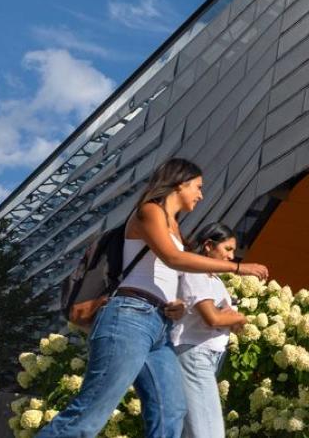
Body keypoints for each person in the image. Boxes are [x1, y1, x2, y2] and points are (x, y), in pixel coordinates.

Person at [38, 158, 270, 438]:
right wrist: (237, 267)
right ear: (180, 183)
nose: (200, 194)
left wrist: (176, 305)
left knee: (170, 411)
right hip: (129, 317)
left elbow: (163, 275)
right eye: (197, 187)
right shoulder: (149, 211)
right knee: (92, 412)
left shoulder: (176, 227)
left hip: (160, 326)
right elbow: (173, 258)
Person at [173, 223, 247, 438]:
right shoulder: (195, 273)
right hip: (195, 353)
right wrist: (234, 316)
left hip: (208, 356)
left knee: (193, 430)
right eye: (228, 249)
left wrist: (231, 318)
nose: (232, 256)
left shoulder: (215, 280)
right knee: (208, 432)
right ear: (208, 245)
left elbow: (234, 324)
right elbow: (213, 317)